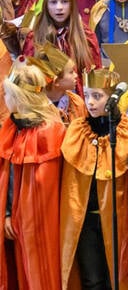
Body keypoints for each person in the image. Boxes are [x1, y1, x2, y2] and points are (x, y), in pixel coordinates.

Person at [59, 66, 128, 290]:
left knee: (119, 276)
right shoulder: (77, 130)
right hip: (85, 220)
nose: (91, 102)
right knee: (91, 279)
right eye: (87, 95)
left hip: (118, 220)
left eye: (98, 96)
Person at [0, 61, 66, 289]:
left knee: (44, 269)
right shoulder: (12, 127)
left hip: (42, 222)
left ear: (20, 99)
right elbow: (7, 178)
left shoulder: (51, 132)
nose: (5, 100)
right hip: (18, 220)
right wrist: (8, 214)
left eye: (7, 95)